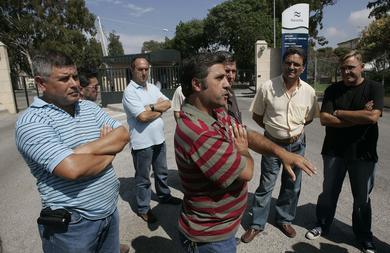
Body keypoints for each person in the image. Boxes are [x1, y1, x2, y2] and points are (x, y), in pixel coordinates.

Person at [15, 50, 130, 253]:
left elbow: (122, 136)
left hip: (109, 212)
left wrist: (83, 150)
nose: (75, 83)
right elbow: (73, 169)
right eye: (64, 78)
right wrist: (109, 149)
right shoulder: (32, 123)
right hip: (72, 227)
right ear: (42, 84)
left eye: (75, 76)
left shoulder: (88, 107)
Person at [305, 50, 384, 253]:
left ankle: (363, 236)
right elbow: (324, 118)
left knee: (362, 198)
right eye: (343, 68)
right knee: (329, 193)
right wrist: (360, 116)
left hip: (363, 154)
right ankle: (322, 224)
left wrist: (339, 113)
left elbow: (372, 117)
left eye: (350, 67)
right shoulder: (333, 90)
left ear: (362, 66)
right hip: (333, 151)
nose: (346, 71)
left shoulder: (374, 88)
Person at [175, 53, 254, 253]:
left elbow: (242, 132)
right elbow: (247, 172)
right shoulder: (199, 133)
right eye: (219, 78)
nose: (228, 84)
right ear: (197, 84)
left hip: (222, 230)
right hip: (211, 239)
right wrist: (243, 150)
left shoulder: (215, 111)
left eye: (227, 77)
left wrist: (280, 151)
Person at [241, 47, 320, 243]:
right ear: (283, 64)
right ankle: (256, 224)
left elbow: (307, 119)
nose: (291, 67)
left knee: (292, 185)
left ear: (302, 68)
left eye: (296, 64)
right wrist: (275, 133)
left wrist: (292, 134)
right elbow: (257, 116)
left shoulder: (309, 91)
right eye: (288, 63)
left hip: (297, 146)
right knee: (266, 185)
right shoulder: (267, 87)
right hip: (272, 145)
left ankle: (284, 219)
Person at [122, 56, 181, 223]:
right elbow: (142, 117)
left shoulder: (152, 88)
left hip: (159, 140)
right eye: (140, 69)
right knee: (143, 179)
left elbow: (168, 103)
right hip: (142, 143)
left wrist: (153, 107)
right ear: (132, 70)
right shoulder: (129, 92)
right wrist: (155, 111)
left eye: (146, 69)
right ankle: (143, 208)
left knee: (161, 173)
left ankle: (164, 196)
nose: (144, 72)